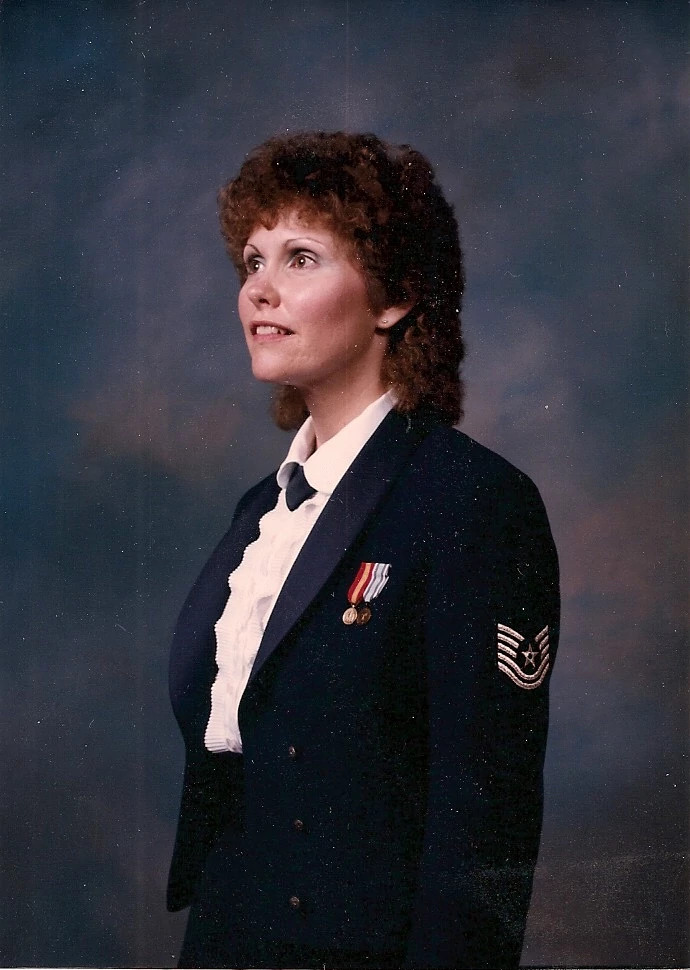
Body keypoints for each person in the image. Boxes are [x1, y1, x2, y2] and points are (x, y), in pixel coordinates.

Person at [167, 131, 559, 970]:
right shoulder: (260, 512)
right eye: (252, 260)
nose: (259, 291)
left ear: (395, 296)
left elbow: (483, 825)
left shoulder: (474, 503)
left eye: (301, 259)